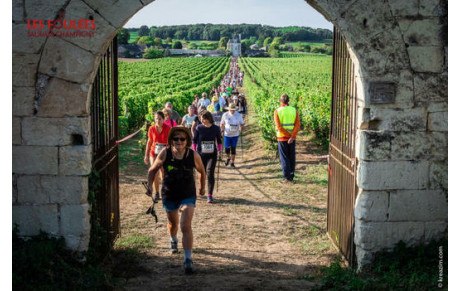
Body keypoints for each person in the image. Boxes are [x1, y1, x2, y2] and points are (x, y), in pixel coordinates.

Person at [146, 126, 206, 274]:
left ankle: (187, 260)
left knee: (185, 225)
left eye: (182, 139)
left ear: (187, 141)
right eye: (176, 139)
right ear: (171, 140)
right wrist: (150, 187)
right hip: (169, 193)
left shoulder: (193, 155)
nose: (179, 141)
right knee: (173, 224)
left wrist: (202, 187)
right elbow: (152, 170)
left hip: (187, 194)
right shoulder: (165, 153)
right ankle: (173, 239)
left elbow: (202, 171)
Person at [192, 111, 222, 203]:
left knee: (210, 172)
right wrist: (194, 151)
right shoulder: (199, 128)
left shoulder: (216, 128)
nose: (202, 120)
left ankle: (210, 195)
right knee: (201, 172)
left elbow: (219, 141)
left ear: (209, 119)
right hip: (200, 154)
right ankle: (201, 187)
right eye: (201, 118)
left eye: (204, 119)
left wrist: (220, 150)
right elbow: (194, 141)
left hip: (212, 155)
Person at [144, 111, 171, 202]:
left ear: (163, 119)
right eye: (156, 119)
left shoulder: (168, 128)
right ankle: (156, 192)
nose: (158, 121)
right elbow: (149, 142)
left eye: (160, 119)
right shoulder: (151, 129)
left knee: (163, 173)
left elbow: (171, 142)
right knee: (154, 171)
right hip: (153, 153)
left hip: (164, 154)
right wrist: (146, 155)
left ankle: (164, 191)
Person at [274, 93, 300, 184]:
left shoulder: (277, 111)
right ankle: (291, 175)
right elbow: (297, 125)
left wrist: (288, 136)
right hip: (292, 138)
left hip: (282, 138)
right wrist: (292, 136)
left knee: (284, 157)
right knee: (291, 157)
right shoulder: (294, 110)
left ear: (280, 101)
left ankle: (286, 177)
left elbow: (279, 126)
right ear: (288, 101)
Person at [220, 103, 244, 169]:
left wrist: (241, 127)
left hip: (235, 135)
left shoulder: (239, 115)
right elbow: (222, 124)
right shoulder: (225, 115)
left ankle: (232, 162)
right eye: (231, 110)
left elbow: (242, 123)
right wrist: (222, 131)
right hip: (227, 134)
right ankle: (228, 157)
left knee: (233, 149)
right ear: (229, 109)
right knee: (227, 148)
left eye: (233, 110)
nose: (232, 111)